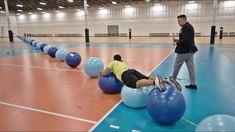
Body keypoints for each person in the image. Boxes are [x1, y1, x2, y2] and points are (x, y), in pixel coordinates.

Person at [99, 54, 182, 91]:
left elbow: (105, 72)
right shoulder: (123, 63)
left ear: (114, 59)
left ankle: (155, 82)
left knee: (137, 84)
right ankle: (167, 80)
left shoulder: (113, 62)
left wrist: (101, 74)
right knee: (147, 78)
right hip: (131, 71)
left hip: (125, 75)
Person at [172, 14, 198, 89]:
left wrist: (177, 42)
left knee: (177, 65)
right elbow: (187, 38)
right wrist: (177, 39)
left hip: (185, 51)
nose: (178, 22)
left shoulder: (185, 27)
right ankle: (193, 84)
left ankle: (172, 82)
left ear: (183, 20)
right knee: (191, 67)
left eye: (179, 21)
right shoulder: (188, 26)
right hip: (190, 50)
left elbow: (186, 40)